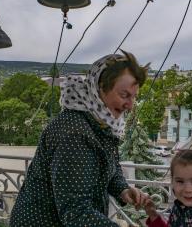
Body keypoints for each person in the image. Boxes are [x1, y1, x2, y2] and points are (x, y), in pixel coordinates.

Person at [10, 50, 149, 226]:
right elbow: (75, 212)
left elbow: (109, 166)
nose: (130, 105)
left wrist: (123, 189)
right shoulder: (75, 133)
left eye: (134, 97)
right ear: (99, 88)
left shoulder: (100, 121)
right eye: (124, 95)